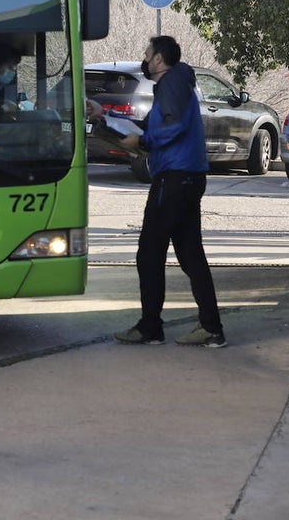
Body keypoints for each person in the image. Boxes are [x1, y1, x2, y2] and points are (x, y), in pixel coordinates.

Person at [112, 35, 226, 348]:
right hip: (188, 177)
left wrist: (145, 144)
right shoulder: (174, 85)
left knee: (149, 253)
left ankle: (150, 328)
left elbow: (168, 128)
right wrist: (104, 115)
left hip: (174, 179)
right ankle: (212, 329)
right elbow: (149, 126)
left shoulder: (173, 83)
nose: (144, 60)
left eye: (147, 54)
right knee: (191, 256)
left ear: (159, 59)